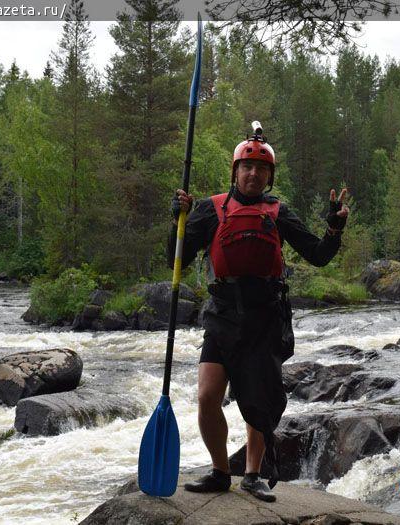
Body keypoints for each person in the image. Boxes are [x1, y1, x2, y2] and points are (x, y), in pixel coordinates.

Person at [168, 122, 349, 502]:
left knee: (258, 402)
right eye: (246, 168)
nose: (253, 174)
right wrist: (177, 222)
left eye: (261, 169)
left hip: (265, 316)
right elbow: (176, 259)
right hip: (222, 314)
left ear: (269, 176)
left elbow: (318, 257)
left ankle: (251, 475)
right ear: (235, 172)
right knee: (207, 395)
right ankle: (220, 471)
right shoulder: (209, 209)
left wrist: (334, 229)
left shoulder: (279, 212)